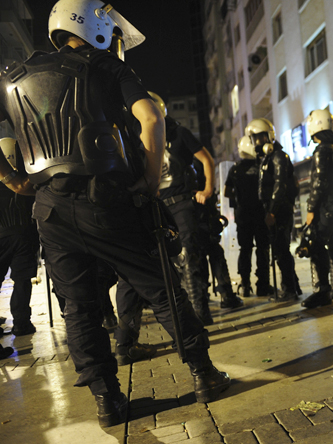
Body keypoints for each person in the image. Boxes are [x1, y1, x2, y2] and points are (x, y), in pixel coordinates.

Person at [0, 1, 230, 427]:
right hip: (106, 201)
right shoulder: (107, 67)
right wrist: (146, 177)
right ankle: (204, 374)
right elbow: (152, 116)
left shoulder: (17, 77)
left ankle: (108, 403)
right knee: (161, 287)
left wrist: (14, 180)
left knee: (80, 310)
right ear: (94, 25)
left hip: (49, 211)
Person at [149, 91, 217, 325]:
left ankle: (199, 312)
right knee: (166, 263)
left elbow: (207, 160)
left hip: (182, 204)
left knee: (189, 258)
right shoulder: (143, 137)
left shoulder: (179, 133)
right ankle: (182, 313)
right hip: (158, 208)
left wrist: (207, 190)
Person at [247, 118, 300, 301]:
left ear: (268, 136)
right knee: (280, 250)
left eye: (258, 138)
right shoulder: (268, 158)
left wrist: (272, 211)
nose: (256, 143)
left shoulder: (278, 156)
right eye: (253, 139)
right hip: (274, 209)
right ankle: (293, 287)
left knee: (281, 251)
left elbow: (280, 185)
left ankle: (290, 289)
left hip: (279, 210)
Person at [300, 109, 333, 309]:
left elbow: (318, 183)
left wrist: (311, 210)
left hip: (323, 209)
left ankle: (322, 290)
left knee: (316, 246)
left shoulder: (321, 151)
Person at [192, 157, 244, 309]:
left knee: (203, 257)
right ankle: (226, 295)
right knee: (214, 256)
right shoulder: (200, 187)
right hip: (202, 224)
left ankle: (203, 296)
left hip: (197, 225)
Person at [225, 136, 272, 297]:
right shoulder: (261, 166)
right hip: (260, 215)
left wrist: (239, 199)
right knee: (263, 249)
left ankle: (245, 285)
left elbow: (226, 191)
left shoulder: (235, 169)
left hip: (243, 216)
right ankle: (263, 285)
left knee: (245, 250)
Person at [0, 138, 39, 336]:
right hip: (24, 233)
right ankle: (22, 322)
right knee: (22, 280)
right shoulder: (23, 180)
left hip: (2, 235)